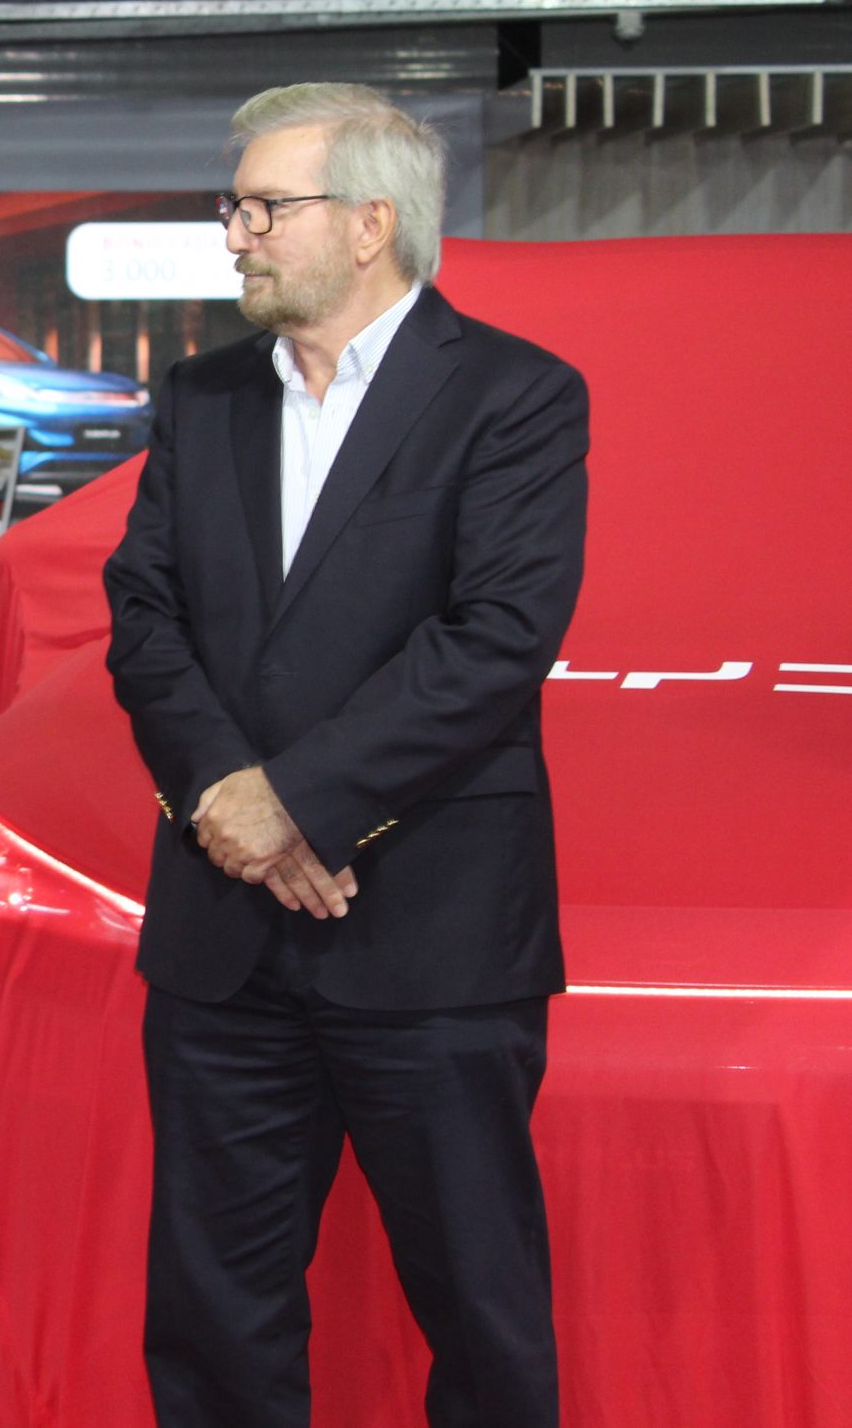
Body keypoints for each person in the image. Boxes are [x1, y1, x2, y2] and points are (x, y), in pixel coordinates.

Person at [103, 83, 588, 1428]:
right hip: (222, 937)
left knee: (480, 1312)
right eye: (234, 206)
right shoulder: (200, 397)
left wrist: (299, 805)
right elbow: (143, 616)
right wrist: (230, 801)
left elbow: (494, 641)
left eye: (267, 207)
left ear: (372, 222)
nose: (236, 235)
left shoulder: (514, 394)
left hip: (432, 935)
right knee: (212, 1315)